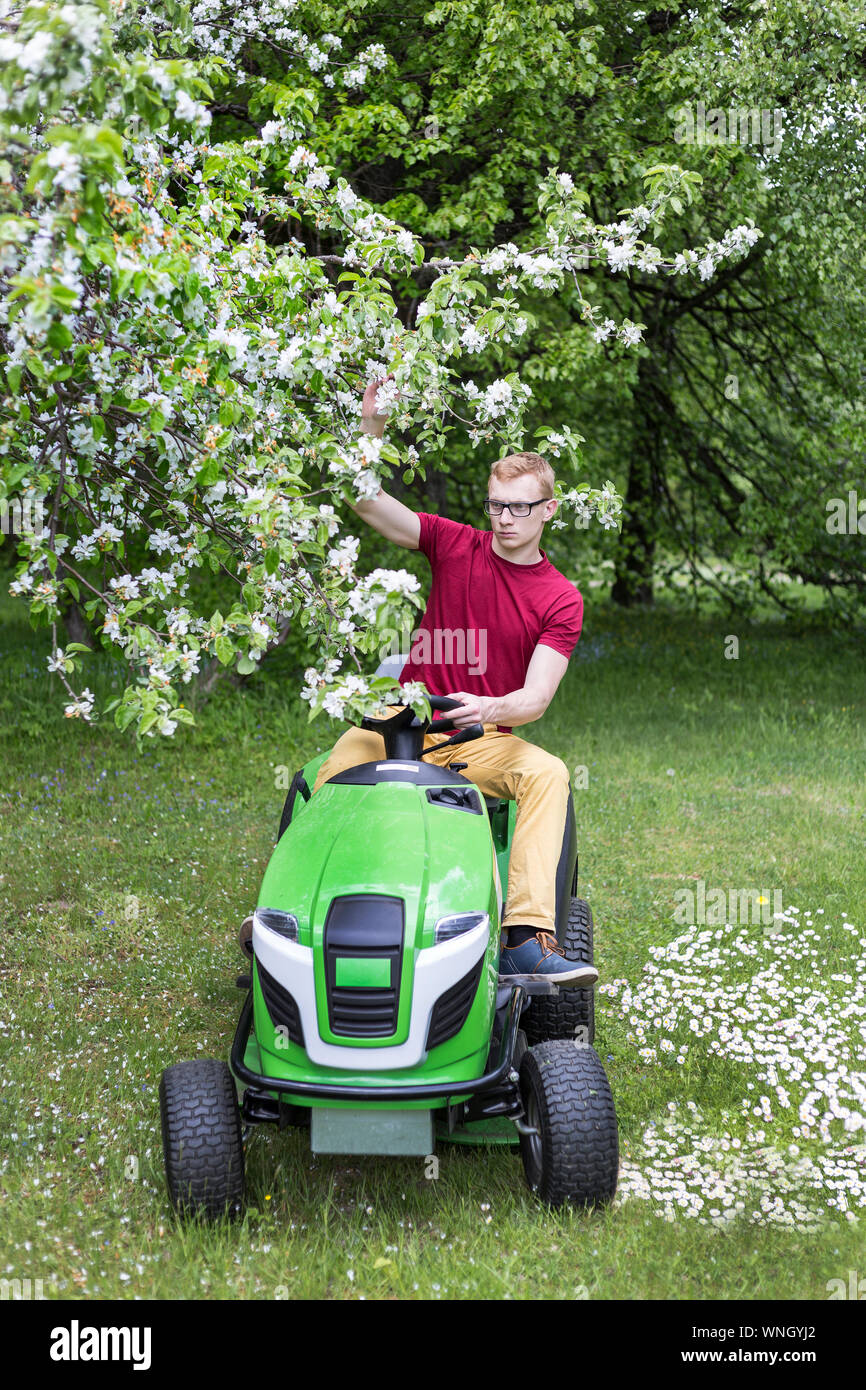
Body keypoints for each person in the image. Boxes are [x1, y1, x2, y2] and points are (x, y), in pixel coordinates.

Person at [296, 375, 598, 987]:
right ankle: (289, 917)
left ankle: (525, 937)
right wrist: (372, 425)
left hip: (476, 738)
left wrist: (485, 705)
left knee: (548, 772)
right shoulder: (455, 544)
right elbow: (365, 499)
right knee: (329, 773)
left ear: (548, 510)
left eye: (520, 506)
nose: (506, 518)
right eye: (496, 504)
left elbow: (536, 698)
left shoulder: (561, 598)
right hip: (398, 725)